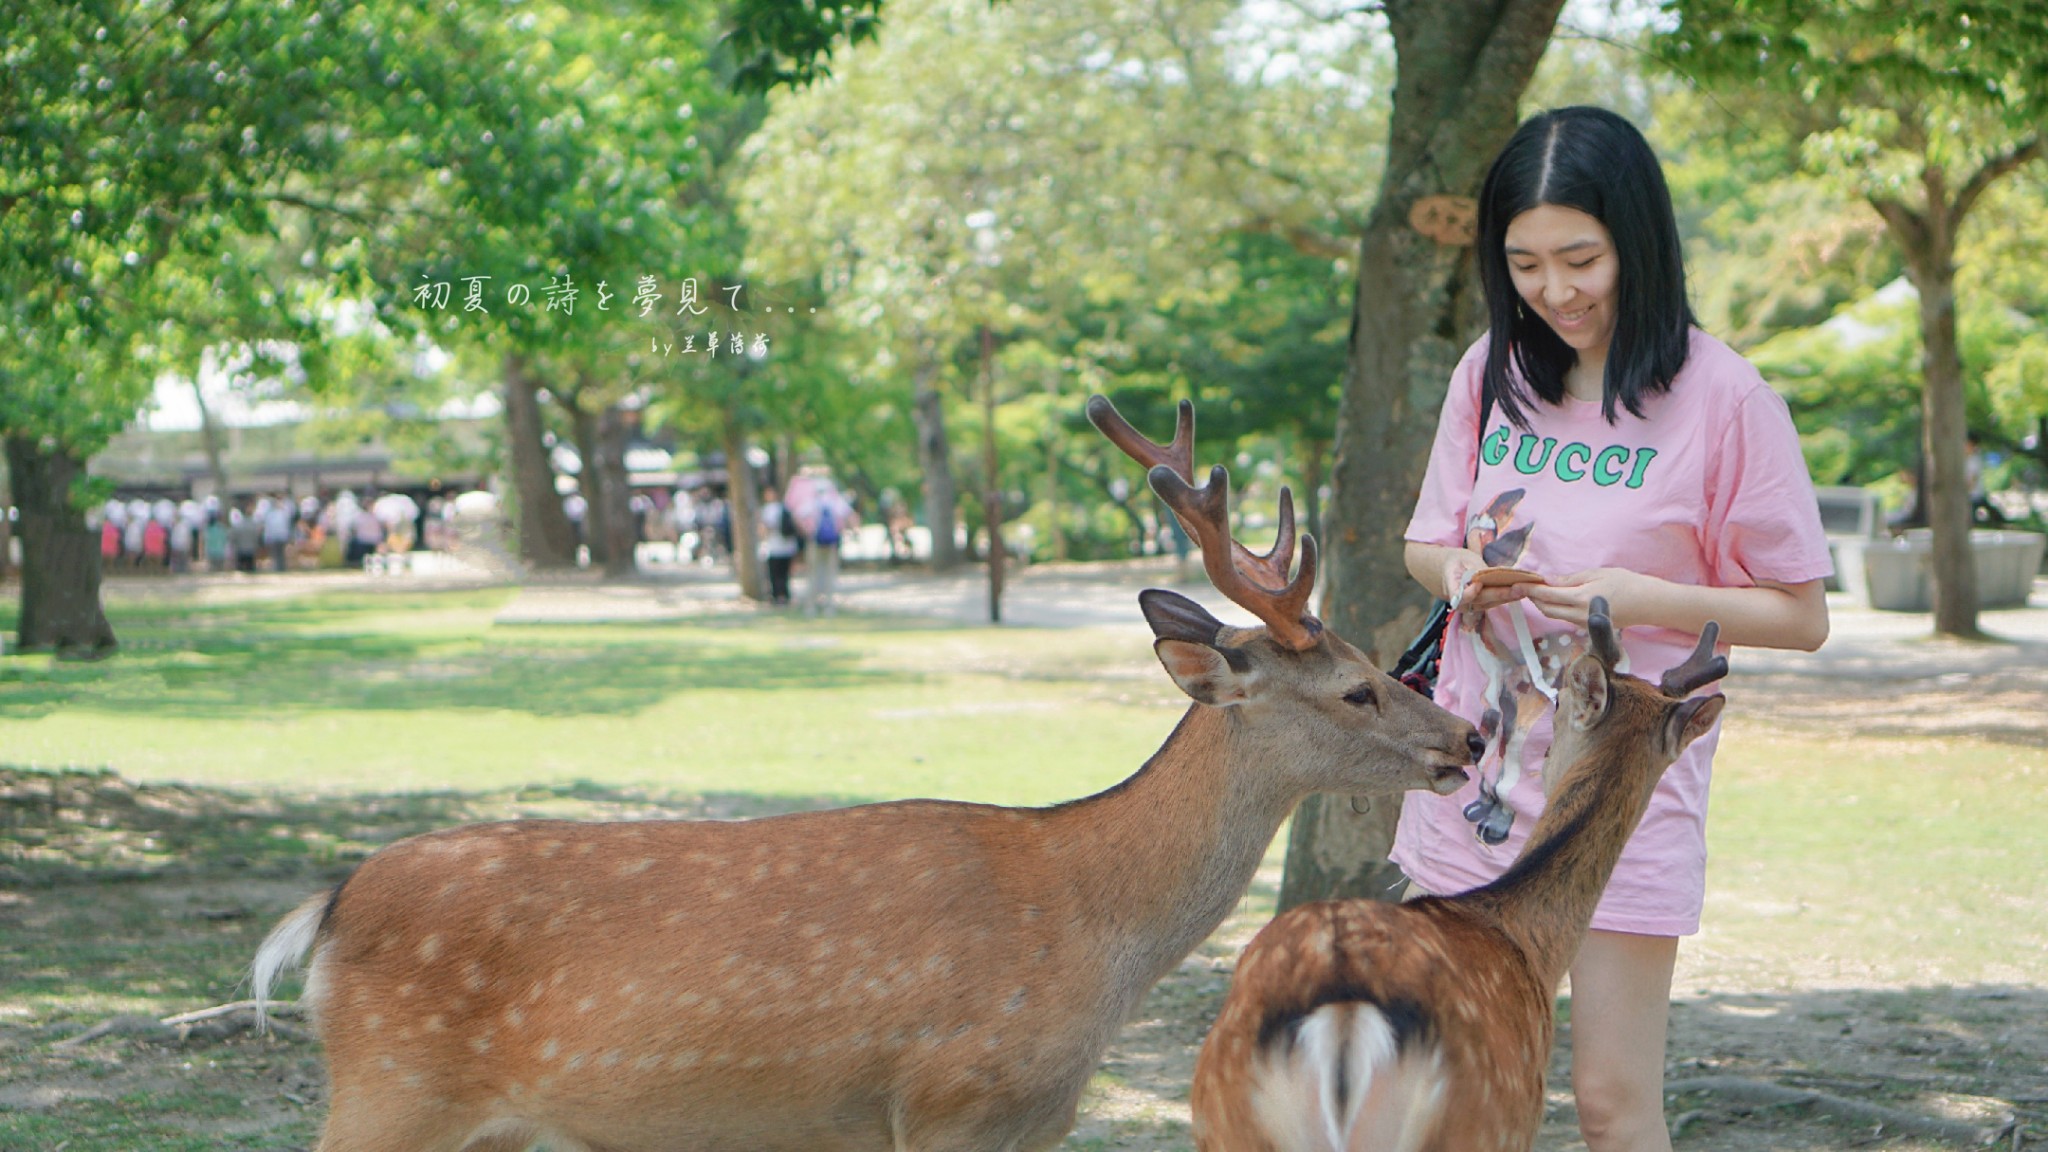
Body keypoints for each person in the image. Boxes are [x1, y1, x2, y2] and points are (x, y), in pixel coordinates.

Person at [1396, 107, 1832, 1152]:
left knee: (1608, 1103)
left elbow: (1801, 615)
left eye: (1580, 258)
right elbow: (1423, 542)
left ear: (1636, 241)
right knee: (1438, 1093)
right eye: (1526, 265)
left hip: (1618, 799)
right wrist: (1457, 571)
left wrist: (1642, 599)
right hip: (1476, 785)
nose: (1555, 292)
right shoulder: (1487, 374)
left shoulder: (1722, 398)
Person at [757, 485, 800, 606]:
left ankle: (777, 597)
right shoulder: (785, 508)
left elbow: (765, 529)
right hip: (788, 547)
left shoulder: (768, 509)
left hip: (774, 548)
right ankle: (785, 596)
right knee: (785, 574)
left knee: (775, 574)